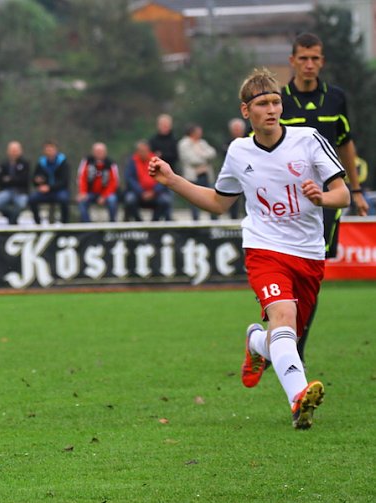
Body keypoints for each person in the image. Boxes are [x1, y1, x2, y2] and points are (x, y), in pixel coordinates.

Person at [148, 68, 350, 430]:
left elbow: (343, 193)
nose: (271, 109)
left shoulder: (309, 139)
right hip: (264, 249)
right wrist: (173, 180)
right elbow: (218, 202)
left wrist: (323, 196)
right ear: (247, 112)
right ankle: (298, 400)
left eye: (276, 102)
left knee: (283, 336)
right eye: (262, 104)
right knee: (283, 317)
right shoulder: (239, 152)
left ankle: (257, 343)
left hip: (308, 253)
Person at [280, 32, 369, 362]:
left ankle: (296, 343)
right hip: (286, 201)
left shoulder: (336, 98)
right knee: (286, 268)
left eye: (315, 58)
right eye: (303, 58)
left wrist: (355, 190)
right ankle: (284, 332)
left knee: (311, 272)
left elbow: (346, 143)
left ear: (322, 61)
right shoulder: (278, 100)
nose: (309, 64)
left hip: (328, 199)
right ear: (292, 61)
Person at [123, 140, 172, 222]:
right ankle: (139, 222)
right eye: (140, 151)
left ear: (148, 150)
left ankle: (154, 223)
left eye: (144, 151)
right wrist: (140, 192)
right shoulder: (132, 161)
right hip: (138, 194)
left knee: (165, 200)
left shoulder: (156, 161)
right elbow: (129, 178)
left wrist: (154, 192)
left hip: (155, 194)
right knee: (129, 199)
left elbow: (163, 178)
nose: (142, 153)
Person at [178, 124, 218, 220]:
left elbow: (212, 153)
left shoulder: (202, 143)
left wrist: (201, 154)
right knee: (194, 201)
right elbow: (192, 159)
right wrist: (204, 158)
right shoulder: (184, 144)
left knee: (212, 199)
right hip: (193, 177)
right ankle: (196, 223)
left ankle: (214, 221)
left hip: (205, 176)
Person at [29, 140, 71, 224]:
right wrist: (37, 181)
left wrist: (49, 188)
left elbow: (64, 181)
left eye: (51, 149)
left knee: (64, 199)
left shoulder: (63, 163)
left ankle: (65, 225)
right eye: (47, 149)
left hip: (59, 190)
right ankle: (38, 224)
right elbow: (34, 179)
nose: (49, 152)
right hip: (45, 192)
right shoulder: (41, 163)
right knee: (32, 199)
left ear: (56, 150)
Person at [76, 142, 119, 222]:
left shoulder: (111, 164)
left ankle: (113, 225)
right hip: (90, 193)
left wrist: (104, 196)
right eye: (97, 151)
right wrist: (82, 192)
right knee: (81, 201)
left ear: (105, 152)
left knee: (112, 200)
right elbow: (82, 178)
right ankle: (87, 227)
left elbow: (114, 183)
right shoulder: (87, 162)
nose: (99, 153)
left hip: (106, 194)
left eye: (101, 151)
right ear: (93, 152)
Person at [0, 141, 31, 224]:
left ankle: (12, 222)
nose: (14, 152)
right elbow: (0, 181)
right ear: (8, 151)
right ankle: (11, 217)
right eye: (12, 150)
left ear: (20, 151)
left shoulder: (25, 163)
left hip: (20, 192)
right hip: (6, 191)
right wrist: (15, 179)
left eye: (15, 150)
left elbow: (25, 180)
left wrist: (10, 179)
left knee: (21, 204)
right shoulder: (3, 164)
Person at [223, 118, 248, 219]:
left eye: (238, 129)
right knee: (232, 199)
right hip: (233, 174)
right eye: (235, 129)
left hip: (248, 174)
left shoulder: (250, 141)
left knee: (248, 198)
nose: (237, 131)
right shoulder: (227, 143)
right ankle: (233, 221)